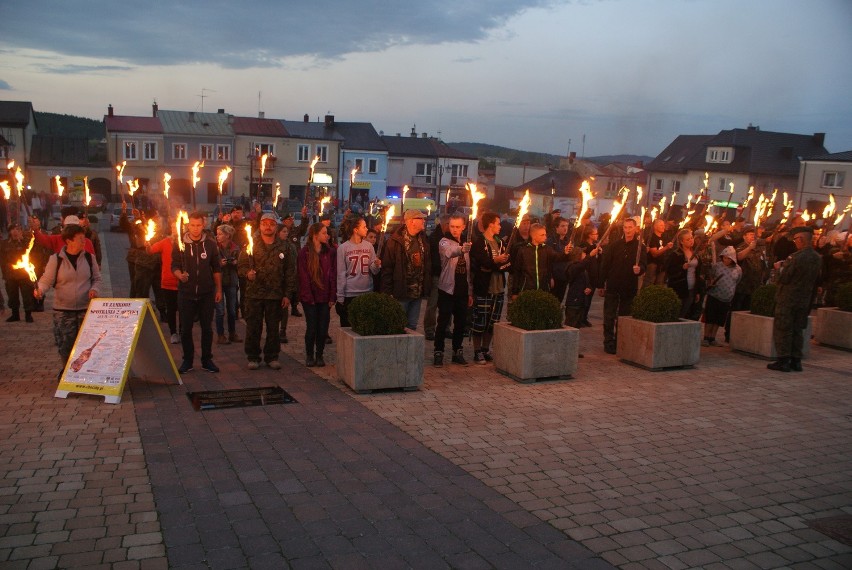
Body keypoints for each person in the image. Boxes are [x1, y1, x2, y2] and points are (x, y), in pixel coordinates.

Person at [33, 223, 102, 378]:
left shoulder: (89, 258)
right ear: (69, 241)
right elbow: (46, 280)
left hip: (85, 309)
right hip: (63, 310)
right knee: (65, 344)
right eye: (80, 239)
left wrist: (94, 289)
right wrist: (40, 290)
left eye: (84, 238)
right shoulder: (56, 260)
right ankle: (66, 371)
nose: (84, 242)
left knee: (85, 344)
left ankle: (83, 371)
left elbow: (97, 279)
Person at [238, 213, 296, 370]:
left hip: (275, 294)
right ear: (260, 226)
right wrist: (247, 274)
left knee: (273, 328)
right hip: (254, 294)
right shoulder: (251, 245)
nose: (268, 226)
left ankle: (272, 356)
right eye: (265, 224)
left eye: (271, 224)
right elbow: (241, 266)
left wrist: (287, 294)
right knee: (253, 327)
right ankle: (253, 356)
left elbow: (290, 272)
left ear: (276, 227)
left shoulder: (285, 246)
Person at [171, 211, 222, 374]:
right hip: (186, 292)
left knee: (207, 328)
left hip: (206, 293)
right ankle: (187, 360)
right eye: (192, 225)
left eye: (198, 225)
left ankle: (207, 359)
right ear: (188, 225)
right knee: (186, 329)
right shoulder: (180, 243)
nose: (195, 228)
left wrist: (218, 288)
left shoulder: (211, 244)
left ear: (204, 224)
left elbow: (216, 268)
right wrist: (180, 275)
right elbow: (175, 265)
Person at [767, 226, 822, 372]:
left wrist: (779, 268)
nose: (794, 242)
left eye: (796, 239)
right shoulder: (817, 258)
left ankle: (783, 360)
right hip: (804, 298)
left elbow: (785, 278)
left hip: (788, 298)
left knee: (783, 329)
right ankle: (796, 360)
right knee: (798, 329)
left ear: (802, 240)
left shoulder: (795, 257)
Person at [597, 217, 647, 354]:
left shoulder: (640, 247)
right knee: (609, 315)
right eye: (625, 227)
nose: (628, 230)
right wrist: (601, 283)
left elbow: (643, 264)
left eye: (630, 227)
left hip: (629, 286)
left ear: (636, 229)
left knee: (624, 316)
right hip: (613, 284)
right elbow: (605, 265)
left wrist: (640, 269)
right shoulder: (615, 245)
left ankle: (620, 341)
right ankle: (608, 341)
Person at [379, 209, 432, 331]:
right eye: (421, 218)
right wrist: (388, 292)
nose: (424, 221)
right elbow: (387, 268)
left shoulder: (423, 239)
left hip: (417, 292)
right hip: (401, 292)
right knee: (398, 326)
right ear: (411, 221)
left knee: (412, 326)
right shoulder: (395, 242)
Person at [433, 214, 473, 367]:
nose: (455, 230)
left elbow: (468, 270)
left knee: (460, 323)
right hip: (447, 289)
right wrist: (462, 249)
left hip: (462, 290)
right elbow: (450, 252)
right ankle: (438, 351)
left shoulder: (466, 242)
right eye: (452, 226)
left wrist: (470, 291)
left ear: (463, 227)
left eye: (458, 227)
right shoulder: (444, 241)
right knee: (443, 322)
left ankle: (457, 351)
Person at [470, 212, 510, 365]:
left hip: (498, 288)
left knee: (493, 321)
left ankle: (486, 349)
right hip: (484, 288)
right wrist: (495, 262)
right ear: (490, 224)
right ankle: (477, 351)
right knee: (480, 321)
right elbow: (481, 262)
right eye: (498, 223)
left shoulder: (500, 242)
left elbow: (507, 262)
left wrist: (496, 264)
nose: (500, 226)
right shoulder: (480, 242)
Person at [297, 223, 336, 367]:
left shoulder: (330, 252)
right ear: (315, 235)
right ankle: (309, 354)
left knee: (323, 327)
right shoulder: (304, 253)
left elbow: (332, 274)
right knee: (312, 326)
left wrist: (332, 296)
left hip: (324, 297)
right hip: (310, 298)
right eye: (324, 233)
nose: (327, 236)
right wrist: (308, 297)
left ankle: (319, 354)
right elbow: (303, 276)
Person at [336, 216, 381, 327]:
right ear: (355, 230)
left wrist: (376, 265)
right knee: (348, 327)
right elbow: (341, 273)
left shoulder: (369, 246)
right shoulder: (343, 248)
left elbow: (373, 271)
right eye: (364, 227)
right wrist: (340, 296)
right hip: (350, 293)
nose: (367, 229)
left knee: (365, 326)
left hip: (366, 291)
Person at [512, 223, 574, 298]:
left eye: (545, 234)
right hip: (527, 289)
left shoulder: (547, 249)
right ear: (534, 236)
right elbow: (517, 271)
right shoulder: (523, 250)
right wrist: (515, 292)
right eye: (542, 235)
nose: (545, 237)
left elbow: (558, 257)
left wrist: (565, 253)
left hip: (543, 289)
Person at [701, 244, 742, 346]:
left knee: (719, 320)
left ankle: (712, 337)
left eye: (728, 258)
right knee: (710, 317)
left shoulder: (738, 269)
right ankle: (706, 337)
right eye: (724, 257)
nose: (726, 260)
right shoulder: (717, 266)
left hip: (726, 298)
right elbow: (710, 276)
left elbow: (737, 281)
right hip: (714, 295)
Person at [147, 231, 181, 344]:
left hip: (183, 283)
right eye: (174, 228)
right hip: (168, 282)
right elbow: (151, 251)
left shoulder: (185, 242)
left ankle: (182, 331)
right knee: (171, 309)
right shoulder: (164, 242)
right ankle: (173, 333)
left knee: (183, 309)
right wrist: (147, 244)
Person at [1, 223, 36, 323]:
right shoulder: (4, 244)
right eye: (13, 229)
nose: (15, 232)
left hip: (24, 274)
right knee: (12, 295)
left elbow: (32, 254)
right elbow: (2, 259)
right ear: (9, 231)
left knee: (27, 295)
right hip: (10, 274)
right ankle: (15, 314)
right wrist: (4, 273)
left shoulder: (26, 242)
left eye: (17, 229)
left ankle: (28, 314)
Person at [424, 213, 450, 340]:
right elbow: (433, 258)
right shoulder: (434, 238)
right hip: (437, 274)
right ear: (444, 224)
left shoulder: (450, 237)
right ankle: (429, 328)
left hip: (448, 275)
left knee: (447, 303)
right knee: (433, 304)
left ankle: (445, 327)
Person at [665, 229, 701, 319]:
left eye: (692, 238)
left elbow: (698, 272)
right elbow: (668, 270)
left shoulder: (695, 254)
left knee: (685, 313)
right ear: (681, 241)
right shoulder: (676, 254)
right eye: (688, 239)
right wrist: (681, 267)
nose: (691, 241)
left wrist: (698, 291)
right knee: (676, 313)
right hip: (679, 287)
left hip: (691, 288)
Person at [214, 223, 241, 345]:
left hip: (231, 281)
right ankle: (220, 335)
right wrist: (219, 263)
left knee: (231, 310)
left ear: (227, 235)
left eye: (220, 234)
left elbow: (242, 265)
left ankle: (232, 333)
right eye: (217, 234)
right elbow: (210, 265)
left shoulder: (236, 248)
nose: (217, 236)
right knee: (220, 310)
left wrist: (236, 263)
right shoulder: (215, 248)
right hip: (218, 282)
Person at [277, 224, 298, 343]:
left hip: (286, 281)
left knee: (284, 306)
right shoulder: (274, 245)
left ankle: (283, 330)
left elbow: (293, 263)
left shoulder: (290, 246)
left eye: (286, 231)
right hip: (275, 281)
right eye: (283, 231)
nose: (286, 233)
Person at [644, 219, 672, 288]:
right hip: (652, 265)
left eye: (663, 225)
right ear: (655, 227)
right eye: (661, 225)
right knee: (649, 284)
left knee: (659, 285)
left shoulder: (663, 237)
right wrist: (666, 247)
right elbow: (654, 254)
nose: (663, 227)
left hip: (661, 265)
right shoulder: (651, 238)